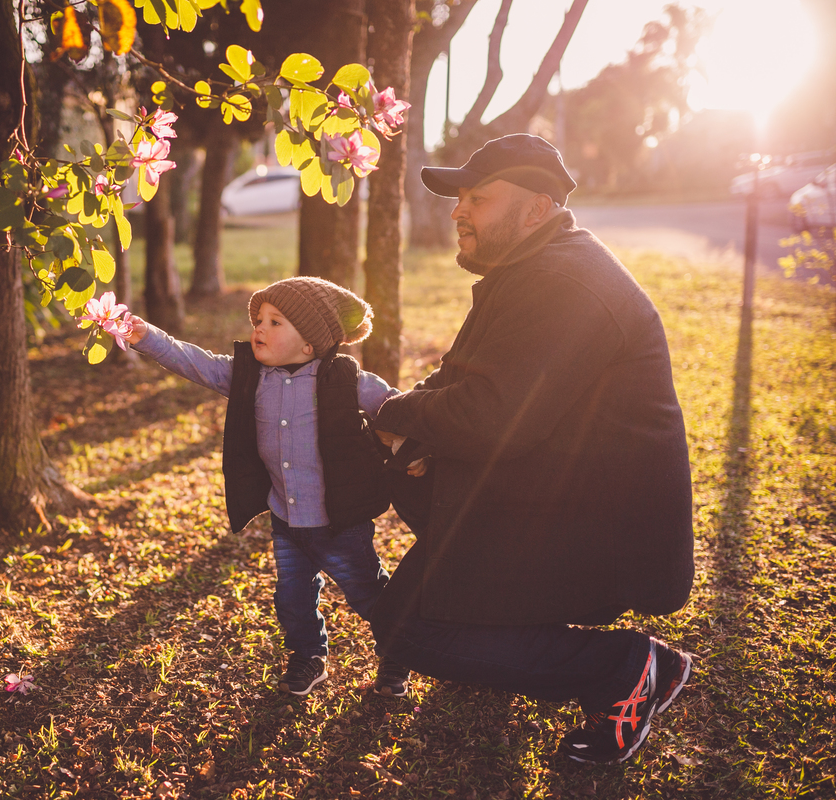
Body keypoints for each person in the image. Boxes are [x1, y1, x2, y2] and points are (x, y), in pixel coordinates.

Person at [370, 134, 696, 764]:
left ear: (537, 209)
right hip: (550, 491)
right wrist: (406, 418)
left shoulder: (564, 282)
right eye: (459, 198)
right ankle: (509, 641)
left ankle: (627, 669)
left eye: (478, 199)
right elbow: (459, 378)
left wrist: (396, 416)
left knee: (411, 628)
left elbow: (494, 419)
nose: (459, 211)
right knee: (407, 613)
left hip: (599, 524)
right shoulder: (530, 268)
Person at [122, 277, 418, 698]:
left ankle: (397, 655)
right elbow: (194, 361)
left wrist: (416, 447)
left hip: (340, 520)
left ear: (310, 344)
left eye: (275, 322)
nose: (259, 328)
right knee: (292, 598)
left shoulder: (344, 379)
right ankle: (308, 656)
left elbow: (398, 408)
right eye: (258, 319)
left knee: (368, 592)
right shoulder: (249, 377)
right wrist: (144, 335)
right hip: (287, 517)